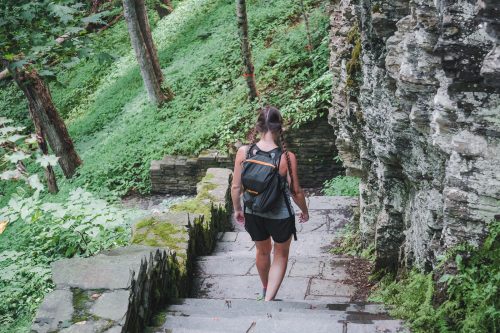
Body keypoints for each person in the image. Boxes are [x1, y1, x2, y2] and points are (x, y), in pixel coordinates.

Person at [231, 105, 309, 302]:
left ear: (258, 127)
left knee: (262, 251)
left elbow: (235, 187)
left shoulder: (244, 151)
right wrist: (304, 211)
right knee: (280, 255)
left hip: (253, 212)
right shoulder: (287, 157)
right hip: (280, 215)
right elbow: (295, 191)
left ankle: (265, 289)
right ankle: (268, 301)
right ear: (280, 127)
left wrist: (238, 210)